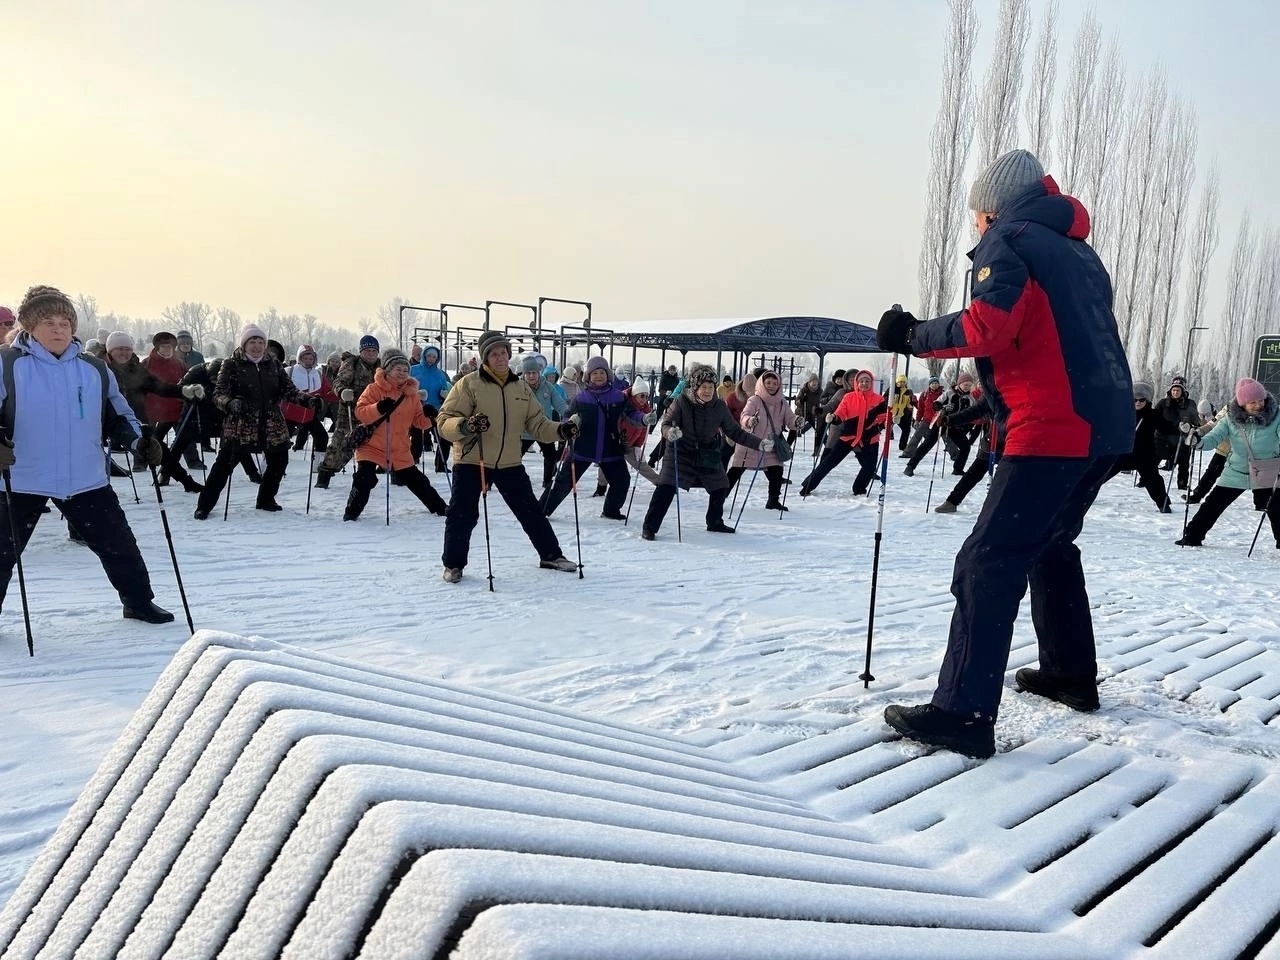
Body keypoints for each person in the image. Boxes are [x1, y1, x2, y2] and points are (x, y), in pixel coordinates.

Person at [875, 148, 1132, 759]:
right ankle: (1069, 674)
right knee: (1049, 545)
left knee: (988, 561)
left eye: (975, 216)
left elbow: (988, 325)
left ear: (988, 210)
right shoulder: (1076, 249)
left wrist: (912, 336)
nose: (975, 226)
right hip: (1107, 424)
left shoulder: (1010, 238)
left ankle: (962, 713)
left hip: (1052, 428)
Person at [0, 286, 173, 623]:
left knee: (120, 545)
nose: (57, 329)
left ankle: (138, 602)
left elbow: (118, 414)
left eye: (65, 322)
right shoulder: (7, 365)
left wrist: (141, 442)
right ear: (29, 328)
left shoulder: (93, 368)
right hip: (23, 476)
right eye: (47, 322)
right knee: (1, 553)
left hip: (84, 476)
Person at [436, 330, 581, 583]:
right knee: (463, 514)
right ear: (485, 357)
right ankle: (453, 565)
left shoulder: (521, 388)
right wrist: (467, 426)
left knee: (530, 511)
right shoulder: (469, 384)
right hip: (473, 460)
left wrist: (561, 430)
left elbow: (537, 424)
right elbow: (444, 422)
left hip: (509, 462)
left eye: (503, 352)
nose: (500, 357)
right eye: (494, 353)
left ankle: (550, 555)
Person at [192, 323, 317, 519]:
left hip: (271, 422)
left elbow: (288, 390)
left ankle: (266, 499)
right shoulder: (231, 364)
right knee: (223, 466)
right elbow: (218, 394)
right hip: (241, 423)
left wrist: (307, 400)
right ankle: (204, 505)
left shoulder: (273, 364)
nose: (257, 346)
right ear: (244, 344)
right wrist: (230, 403)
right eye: (252, 341)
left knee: (279, 460)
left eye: (260, 342)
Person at [640, 364, 769, 540]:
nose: (707, 391)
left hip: (707, 454)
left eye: (711, 387)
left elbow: (735, 432)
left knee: (721, 485)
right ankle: (649, 527)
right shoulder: (681, 402)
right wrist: (670, 433)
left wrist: (759, 444)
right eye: (704, 387)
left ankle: (714, 522)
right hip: (680, 453)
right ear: (695, 386)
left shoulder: (719, 407)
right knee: (665, 489)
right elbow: (666, 423)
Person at [343, 348, 449, 521]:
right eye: (397, 369)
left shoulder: (411, 394)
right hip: (372, 445)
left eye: (405, 370)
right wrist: (378, 408)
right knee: (363, 479)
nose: (402, 373)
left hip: (399, 447)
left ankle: (441, 508)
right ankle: (351, 514)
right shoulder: (374, 389)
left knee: (418, 481)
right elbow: (360, 412)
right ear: (387, 369)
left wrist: (432, 416)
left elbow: (419, 422)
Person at [1176, 378, 1280, 548]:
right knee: (1213, 504)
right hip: (1236, 471)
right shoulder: (1230, 419)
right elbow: (1214, 437)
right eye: (1252, 402)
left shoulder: (1276, 416)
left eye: (1261, 400)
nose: (1258, 405)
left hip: (1268, 470)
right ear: (1242, 404)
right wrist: (1199, 442)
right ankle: (1192, 536)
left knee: (1277, 509)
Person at [543, 355, 637, 521]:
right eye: (595, 373)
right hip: (582, 448)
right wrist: (570, 424)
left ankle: (611, 510)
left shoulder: (619, 397)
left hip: (610, 448)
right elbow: (566, 416)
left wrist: (644, 419)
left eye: (602, 372)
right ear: (588, 376)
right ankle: (541, 510)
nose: (599, 376)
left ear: (608, 375)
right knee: (563, 482)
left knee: (622, 481)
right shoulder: (581, 398)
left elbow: (631, 414)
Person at [798, 370, 886, 497]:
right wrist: (834, 417)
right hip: (849, 435)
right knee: (830, 461)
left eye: (867, 381)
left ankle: (859, 488)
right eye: (861, 381)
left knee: (870, 467)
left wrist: (881, 426)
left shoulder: (878, 400)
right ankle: (808, 485)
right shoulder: (848, 397)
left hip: (870, 437)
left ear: (871, 383)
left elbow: (883, 417)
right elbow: (841, 412)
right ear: (856, 383)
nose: (864, 384)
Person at [315, 336, 381, 488]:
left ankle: (367, 476)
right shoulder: (352, 363)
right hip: (350, 410)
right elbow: (338, 382)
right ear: (361, 351)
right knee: (340, 446)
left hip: (372, 412)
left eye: (373, 351)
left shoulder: (381, 367)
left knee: (371, 446)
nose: (370, 354)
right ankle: (325, 473)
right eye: (367, 351)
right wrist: (343, 391)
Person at [729, 369, 799, 511]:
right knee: (736, 471)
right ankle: (720, 495)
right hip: (750, 442)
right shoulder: (754, 399)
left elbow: (790, 419)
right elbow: (744, 416)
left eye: (774, 383)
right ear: (762, 383)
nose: (771, 385)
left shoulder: (782, 403)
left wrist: (796, 422)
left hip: (771, 443)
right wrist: (750, 421)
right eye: (768, 382)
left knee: (776, 473)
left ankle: (773, 501)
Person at [933, 388, 1004, 513]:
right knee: (974, 472)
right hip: (993, 439)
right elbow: (976, 411)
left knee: (1008, 477)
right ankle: (952, 501)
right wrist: (950, 420)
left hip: (1017, 442)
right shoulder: (994, 388)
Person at [1105, 381, 1172, 512]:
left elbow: (1166, 428)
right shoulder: (1125, 412)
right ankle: (1084, 494)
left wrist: (1181, 428)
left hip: (1145, 454)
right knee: (1103, 472)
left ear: (1147, 400)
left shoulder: (1153, 414)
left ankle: (1163, 504)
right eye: (1135, 399)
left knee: (1153, 480)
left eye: (1142, 399)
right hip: (1124, 452)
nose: (1138, 402)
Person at [518, 353, 568, 490]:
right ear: (524, 374)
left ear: (539, 372)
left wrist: (569, 416)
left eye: (534, 372)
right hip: (524, 430)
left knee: (550, 456)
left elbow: (560, 404)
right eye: (528, 373)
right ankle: (499, 480)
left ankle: (547, 481)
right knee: (514, 458)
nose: (531, 376)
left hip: (543, 428)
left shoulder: (547, 387)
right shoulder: (517, 387)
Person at [287, 344, 337, 453]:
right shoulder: (290, 371)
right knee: (279, 441)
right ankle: (269, 466)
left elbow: (327, 391)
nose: (308, 361)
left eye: (310, 358)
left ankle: (318, 465)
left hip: (309, 414)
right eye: (305, 358)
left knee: (322, 437)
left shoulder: (318, 374)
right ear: (299, 358)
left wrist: (340, 395)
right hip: (290, 413)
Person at [1154, 375, 1200, 490]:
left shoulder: (1190, 404)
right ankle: (1145, 479)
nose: (1175, 392)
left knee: (1184, 462)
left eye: (1178, 390)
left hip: (1181, 439)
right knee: (1153, 460)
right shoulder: (1163, 403)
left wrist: (1190, 425)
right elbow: (1154, 417)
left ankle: (1182, 484)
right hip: (1162, 437)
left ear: (1183, 391)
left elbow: (1196, 421)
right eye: (1173, 390)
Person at [903, 375, 944, 459]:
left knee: (947, 436)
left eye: (936, 383)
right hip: (926, 419)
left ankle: (955, 454)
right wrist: (917, 420)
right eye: (932, 383)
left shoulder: (943, 394)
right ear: (929, 385)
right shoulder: (924, 394)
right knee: (917, 435)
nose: (934, 385)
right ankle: (908, 452)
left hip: (939, 419)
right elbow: (920, 408)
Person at [891, 374, 916, 454]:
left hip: (902, 414)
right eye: (900, 382)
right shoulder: (892, 390)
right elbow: (885, 399)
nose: (901, 383)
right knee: (882, 429)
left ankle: (903, 446)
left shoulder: (908, 392)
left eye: (903, 382)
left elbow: (911, 403)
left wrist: (913, 403)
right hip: (891, 413)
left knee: (906, 430)